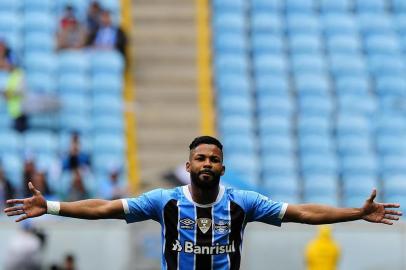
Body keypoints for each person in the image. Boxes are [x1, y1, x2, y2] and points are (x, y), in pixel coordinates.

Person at [4, 136, 402, 270]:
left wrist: (358, 212)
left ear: (222, 167)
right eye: (200, 158)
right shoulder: (165, 202)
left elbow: (302, 213)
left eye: (213, 159)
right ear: (188, 165)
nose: (207, 163)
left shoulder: (243, 202)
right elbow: (105, 208)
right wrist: (53, 206)